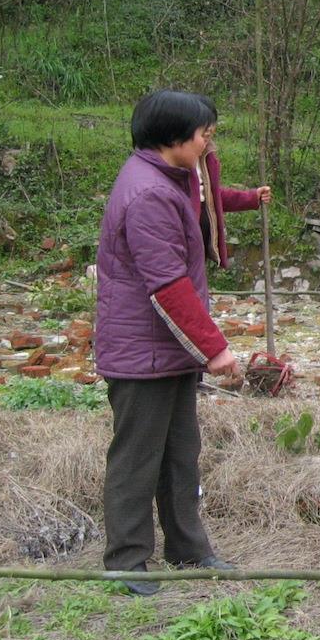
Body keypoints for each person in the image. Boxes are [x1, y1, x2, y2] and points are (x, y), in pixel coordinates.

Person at [95, 89, 242, 596]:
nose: (208, 142)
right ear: (173, 137)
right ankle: (127, 562)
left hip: (168, 350)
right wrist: (215, 348)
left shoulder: (171, 178)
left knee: (181, 452)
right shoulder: (150, 193)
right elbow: (167, 285)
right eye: (204, 134)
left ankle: (187, 548)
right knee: (138, 458)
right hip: (143, 353)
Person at [191, 95, 271, 270]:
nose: (207, 138)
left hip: (201, 241)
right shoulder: (177, 163)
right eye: (204, 133)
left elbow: (211, 195)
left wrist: (251, 197)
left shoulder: (206, 156)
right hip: (185, 242)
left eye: (210, 133)